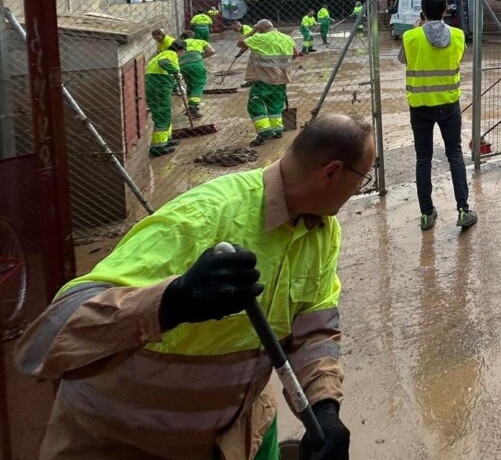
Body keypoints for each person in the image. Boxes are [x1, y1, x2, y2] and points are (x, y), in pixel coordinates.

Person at [17, 113, 367, 460]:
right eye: (361, 179)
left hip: (230, 437)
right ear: (332, 172)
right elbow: (45, 340)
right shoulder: (201, 218)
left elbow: (314, 327)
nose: (359, 190)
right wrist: (171, 301)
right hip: (118, 443)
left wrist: (323, 408)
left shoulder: (320, 230)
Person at [402, 0, 476, 231]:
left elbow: (404, 60)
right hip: (448, 104)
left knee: (423, 159)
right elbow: (457, 58)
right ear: (446, 10)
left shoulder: (411, 37)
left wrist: (418, 27)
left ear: (422, 11)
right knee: (454, 154)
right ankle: (463, 209)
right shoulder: (457, 35)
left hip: (420, 106)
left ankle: (426, 214)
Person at [239, 19, 300, 146]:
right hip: (281, 79)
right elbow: (295, 54)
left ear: (260, 29)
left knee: (255, 105)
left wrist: (254, 30)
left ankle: (264, 132)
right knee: (275, 106)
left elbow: (240, 43)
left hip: (264, 79)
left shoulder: (260, 38)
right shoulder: (286, 38)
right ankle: (277, 130)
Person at [146, 40, 186, 157]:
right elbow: (164, 63)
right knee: (162, 115)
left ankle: (166, 139)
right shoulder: (170, 54)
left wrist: (177, 88)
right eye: (183, 51)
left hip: (160, 87)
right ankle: (158, 147)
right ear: (180, 50)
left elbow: (167, 75)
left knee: (166, 114)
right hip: (158, 87)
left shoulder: (165, 54)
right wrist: (176, 72)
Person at [178, 28, 216, 119]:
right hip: (196, 65)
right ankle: (193, 108)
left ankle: (191, 105)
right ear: (193, 36)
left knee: (190, 85)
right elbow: (211, 51)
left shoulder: (179, 43)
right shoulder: (200, 41)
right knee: (198, 85)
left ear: (182, 37)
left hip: (182, 66)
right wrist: (201, 57)